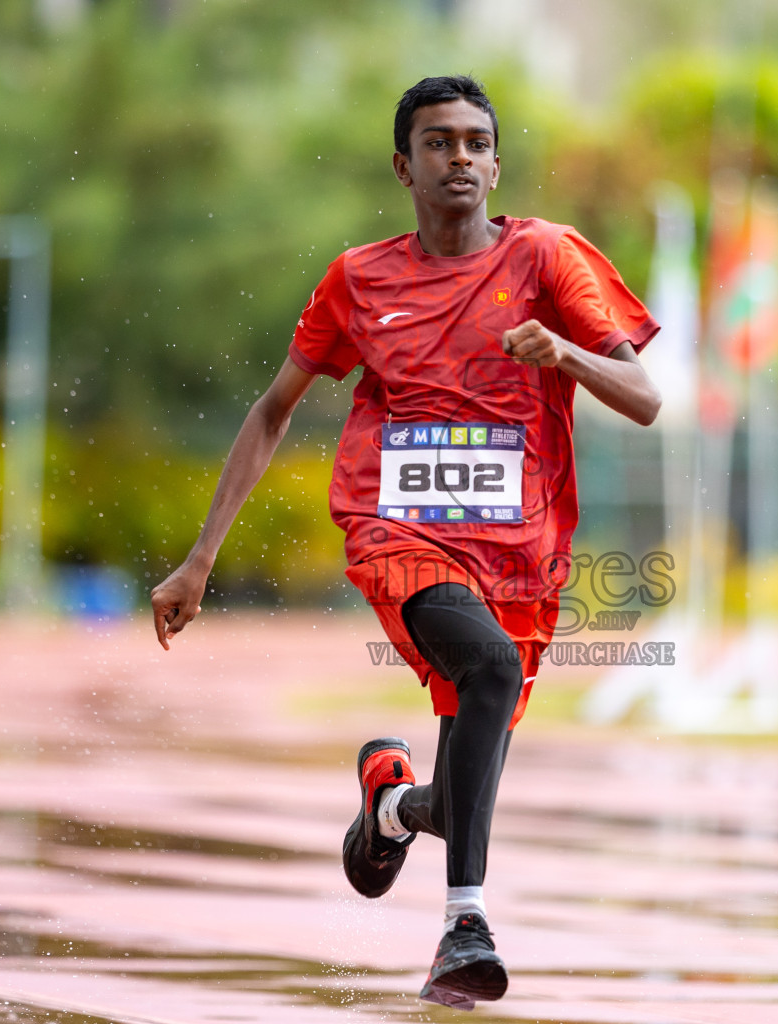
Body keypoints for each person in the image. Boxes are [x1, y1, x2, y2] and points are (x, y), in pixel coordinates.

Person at [149, 74, 660, 1010]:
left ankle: (392, 806)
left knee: (474, 757)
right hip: (398, 532)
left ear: (497, 163)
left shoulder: (548, 260)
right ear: (404, 164)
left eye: (475, 141)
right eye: (438, 142)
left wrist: (565, 352)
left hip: (520, 548)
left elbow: (645, 398)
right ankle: (464, 924)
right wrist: (199, 559)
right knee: (492, 670)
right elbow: (272, 412)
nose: (458, 156)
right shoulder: (359, 278)